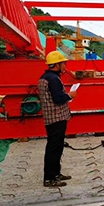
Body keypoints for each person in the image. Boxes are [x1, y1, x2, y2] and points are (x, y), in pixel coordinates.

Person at [38, 50, 76, 187]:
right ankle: (49, 178)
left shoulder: (45, 77)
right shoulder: (54, 79)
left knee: (57, 146)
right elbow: (58, 99)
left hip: (51, 118)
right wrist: (70, 95)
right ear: (56, 65)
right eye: (63, 64)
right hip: (56, 118)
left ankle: (55, 173)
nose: (65, 67)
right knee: (54, 148)